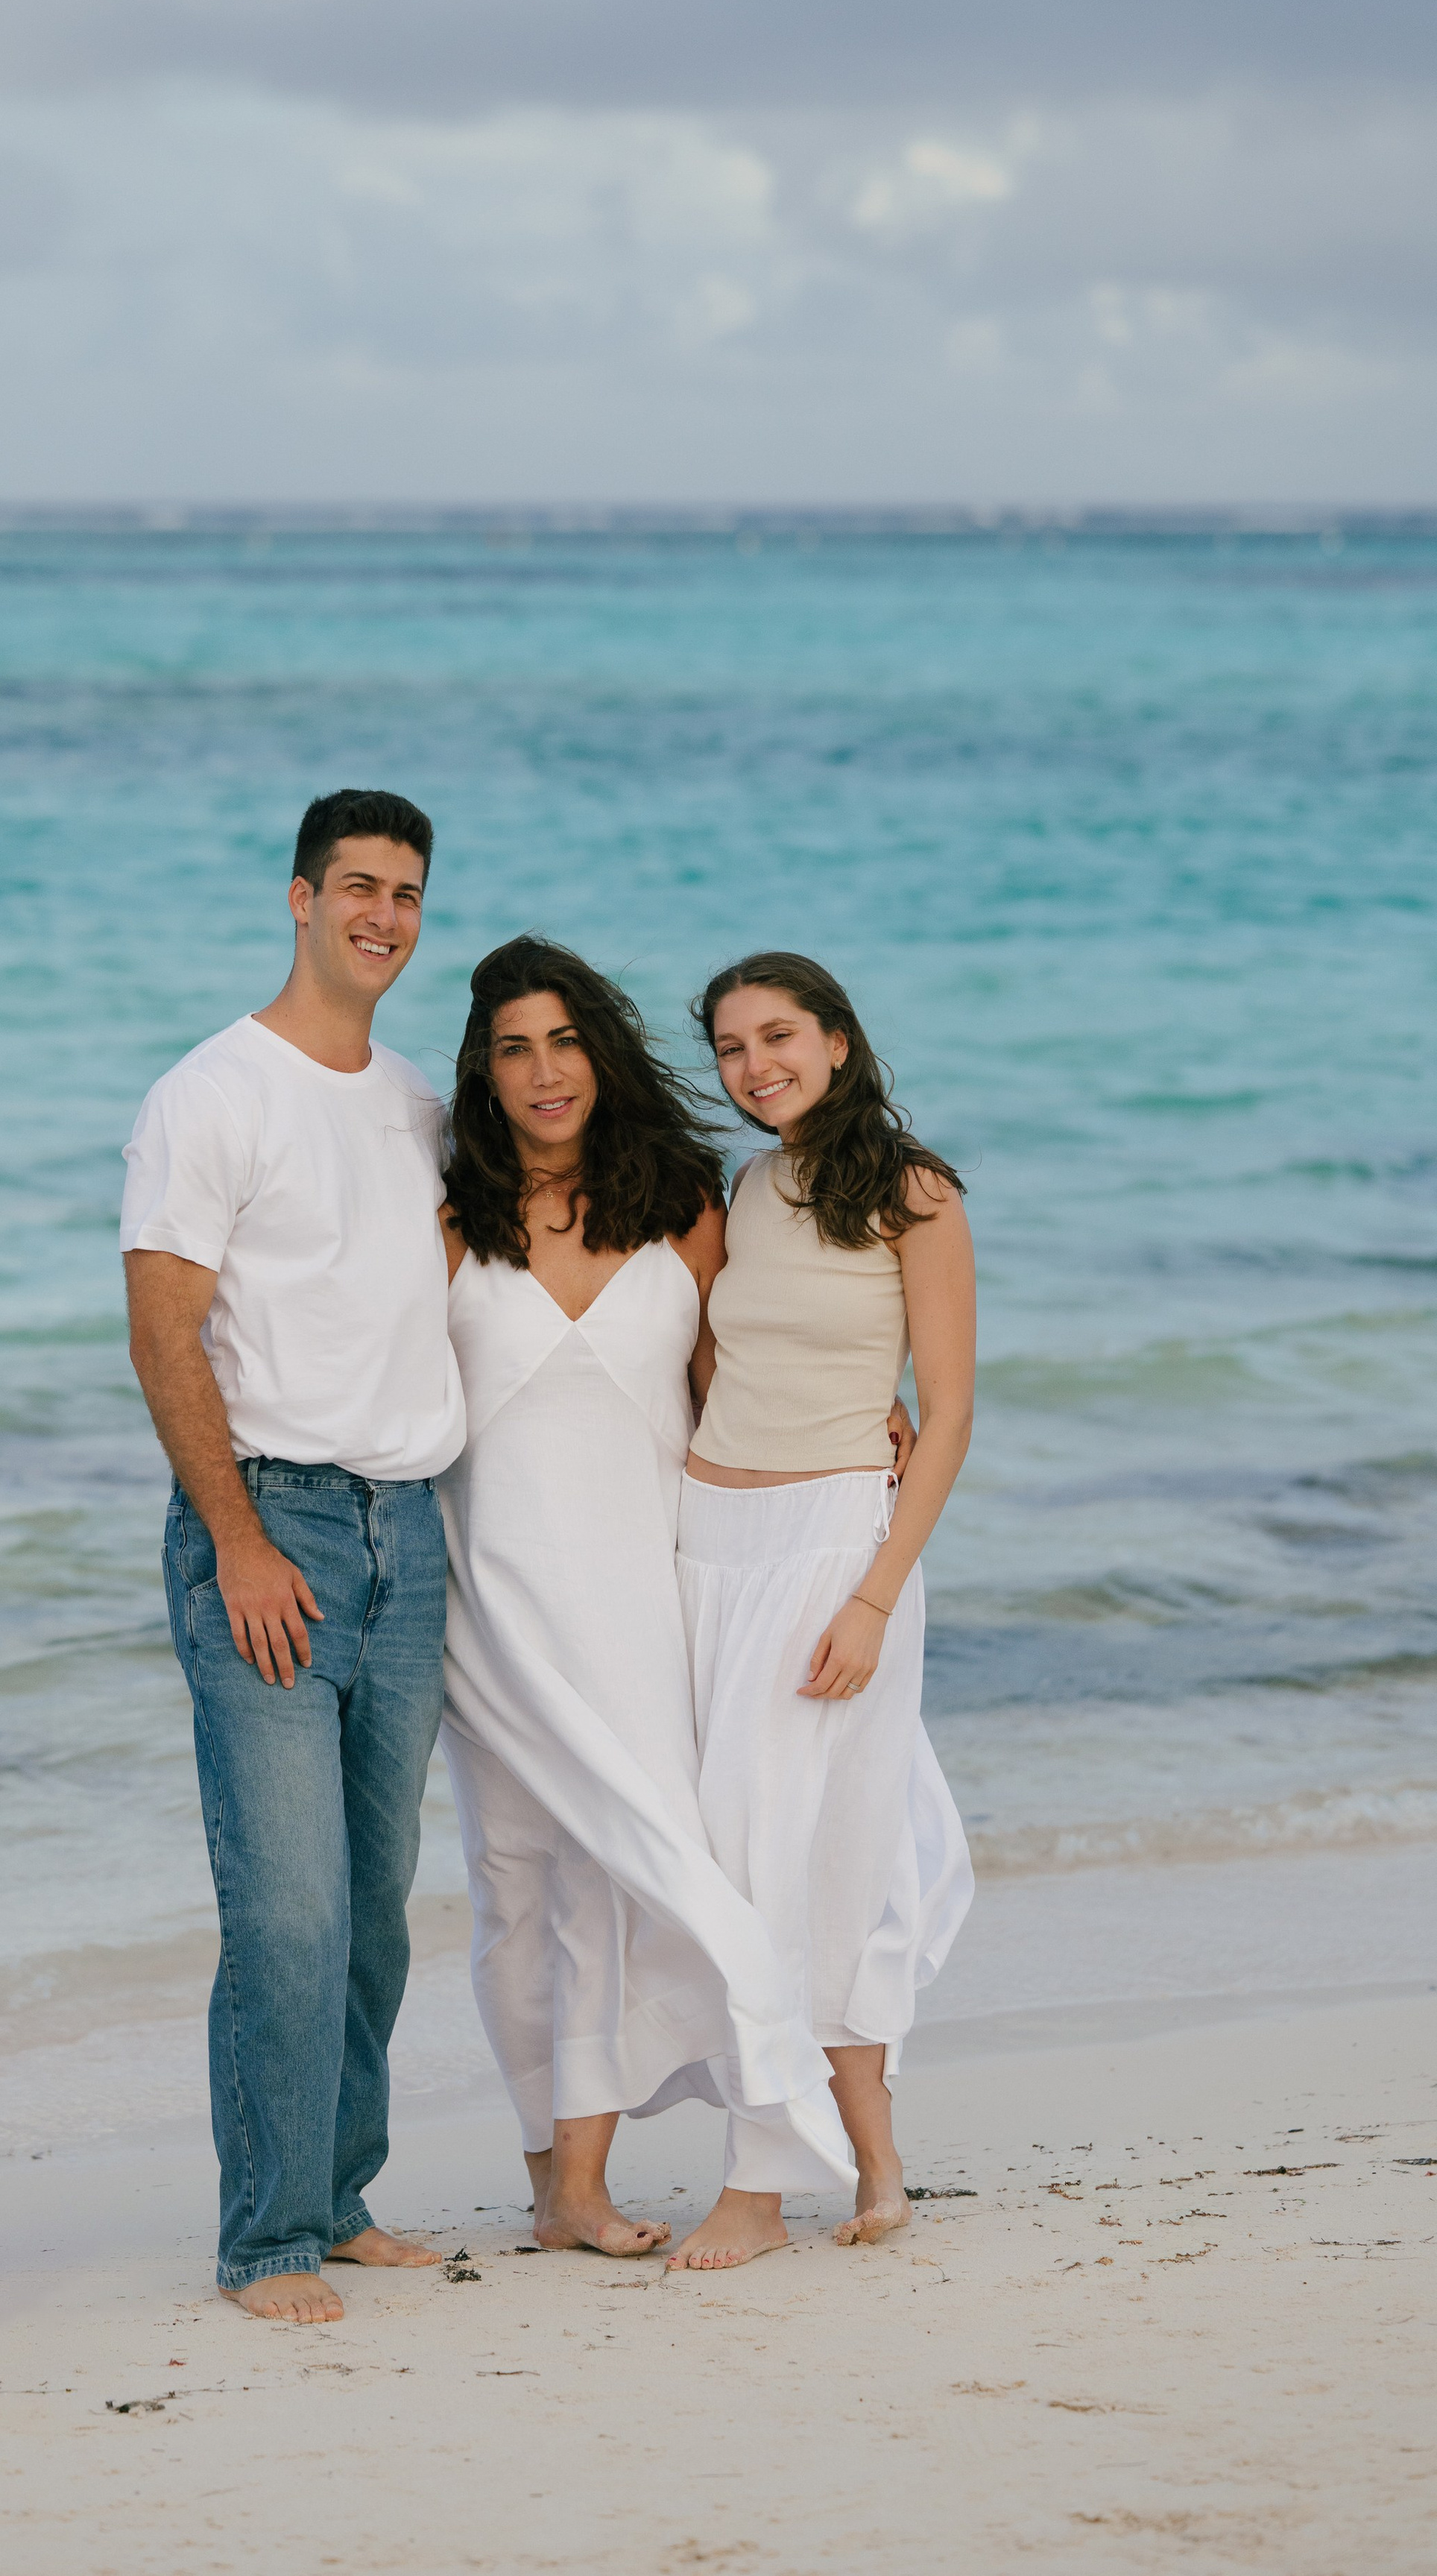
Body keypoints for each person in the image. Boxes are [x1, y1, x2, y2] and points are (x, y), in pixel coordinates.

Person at [437, 936, 864, 2258]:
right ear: (484, 1071)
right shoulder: (448, 1216)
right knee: (513, 1882)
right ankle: (553, 2180)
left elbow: (750, 1379)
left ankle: (613, 2169)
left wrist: (875, 1419)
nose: (544, 1071)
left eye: (566, 1041)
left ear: (604, 1053)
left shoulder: (684, 1202)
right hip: (490, 1601)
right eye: (515, 1048)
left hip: (648, 1596)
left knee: (624, 1877)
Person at [121, 788, 464, 2324]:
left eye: (407, 893)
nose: (383, 916)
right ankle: (265, 2238)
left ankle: (337, 2195)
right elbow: (163, 1331)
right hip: (272, 1526)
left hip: (410, 1530)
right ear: (299, 898)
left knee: (373, 1910)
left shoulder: (415, 1101)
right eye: (358, 887)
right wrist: (239, 1540)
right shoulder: (210, 1092)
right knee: (287, 1910)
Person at [668, 952, 975, 2271]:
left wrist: (872, 1594)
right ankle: (876, 2162)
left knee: (798, 1860)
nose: (756, 1066)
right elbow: (713, 1355)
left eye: (779, 1035)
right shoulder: (746, 1187)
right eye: (732, 1047)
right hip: (711, 1539)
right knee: (773, 1853)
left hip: (832, 1550)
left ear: (838, 1040)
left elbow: (947, 1414)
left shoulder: (916, 1192)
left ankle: (759, 2187)